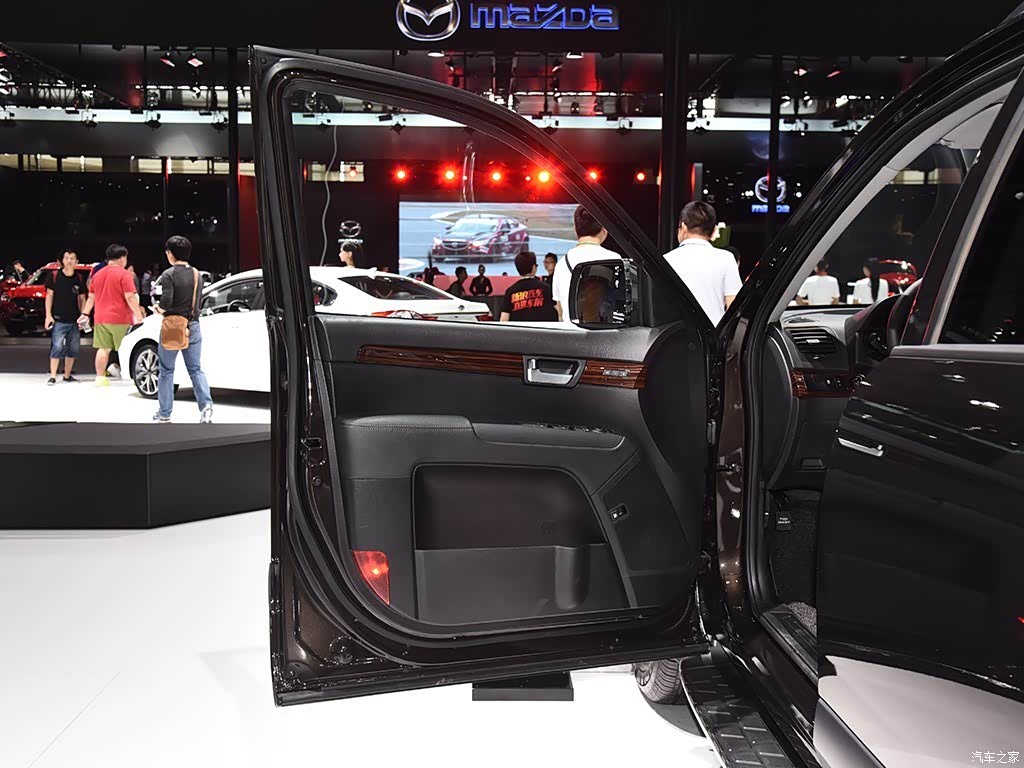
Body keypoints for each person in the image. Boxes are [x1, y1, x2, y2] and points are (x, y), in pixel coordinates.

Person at [152, 236, 212, 423]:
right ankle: (206, 407)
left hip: (173, 326)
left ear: (170, 253)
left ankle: (164, 413)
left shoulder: (168, 274)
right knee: (195, 369)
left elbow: (166, 301)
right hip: (193, 325)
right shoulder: (196, 274)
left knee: (166, 370)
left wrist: (158, 309)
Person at [663, 201, 743, 326]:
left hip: (676, 333)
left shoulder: (667, 260)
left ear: (683, 227)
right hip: (715, 334)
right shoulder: (726, 259)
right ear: (714, 231)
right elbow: (735, 306)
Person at [78, 244, 145, 387]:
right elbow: (130, 297)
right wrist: (139, 315)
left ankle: (100, 378)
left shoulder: (97, 275)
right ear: (122, 258)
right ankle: (133, 379)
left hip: (101, 318)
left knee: (103, 349)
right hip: (121, 318)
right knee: (128, 348)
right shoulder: (125, 274)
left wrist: (85, 314)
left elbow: (91, 298)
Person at [552, 205, 621, 323]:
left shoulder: (561, 264)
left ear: (575, 228)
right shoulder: (615, 259)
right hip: (605, 331)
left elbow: (560, 311)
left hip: (571, 332)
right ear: (604, 229)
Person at [43, 250, 87, 385]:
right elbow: (49, 296)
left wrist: (83, 316)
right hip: (58, 319)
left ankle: (67, 375)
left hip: (74, 320)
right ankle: (53, 376)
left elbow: (82, 298)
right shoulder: (54, 276)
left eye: (72, 258)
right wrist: (48, 315)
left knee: (73, 349)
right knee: (57, 347)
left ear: (76, 262)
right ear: (62, 260)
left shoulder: (79, 278)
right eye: (67, 258)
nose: (69, 261)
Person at [499, 251, 557, 322]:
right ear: (533, 267)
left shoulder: (510, 291)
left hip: (519, 329)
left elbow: (504, 319)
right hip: (542, 328)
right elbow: (559, 311)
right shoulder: (546, 288)